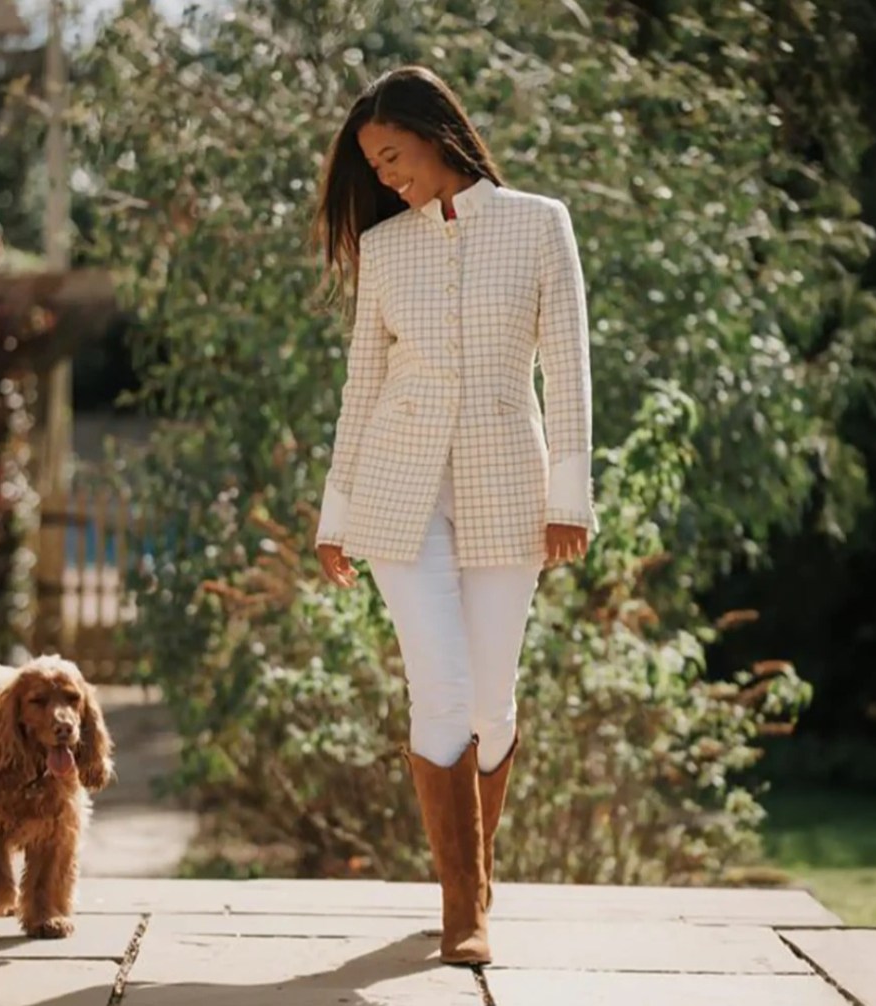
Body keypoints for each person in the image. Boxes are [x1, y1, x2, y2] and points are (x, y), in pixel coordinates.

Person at [311, 65, 596, 966]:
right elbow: (362, 383)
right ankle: (462, 909)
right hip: (398, 489)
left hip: (508, 485)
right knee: (437, 688)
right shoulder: (385, 247)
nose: (386, 176)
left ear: (437, 135)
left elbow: (569, 367)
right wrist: (336, 511)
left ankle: (474, 873)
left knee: (491, 702)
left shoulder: (540, 223)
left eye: (393, 155)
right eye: (374, 165)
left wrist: (569, 498)